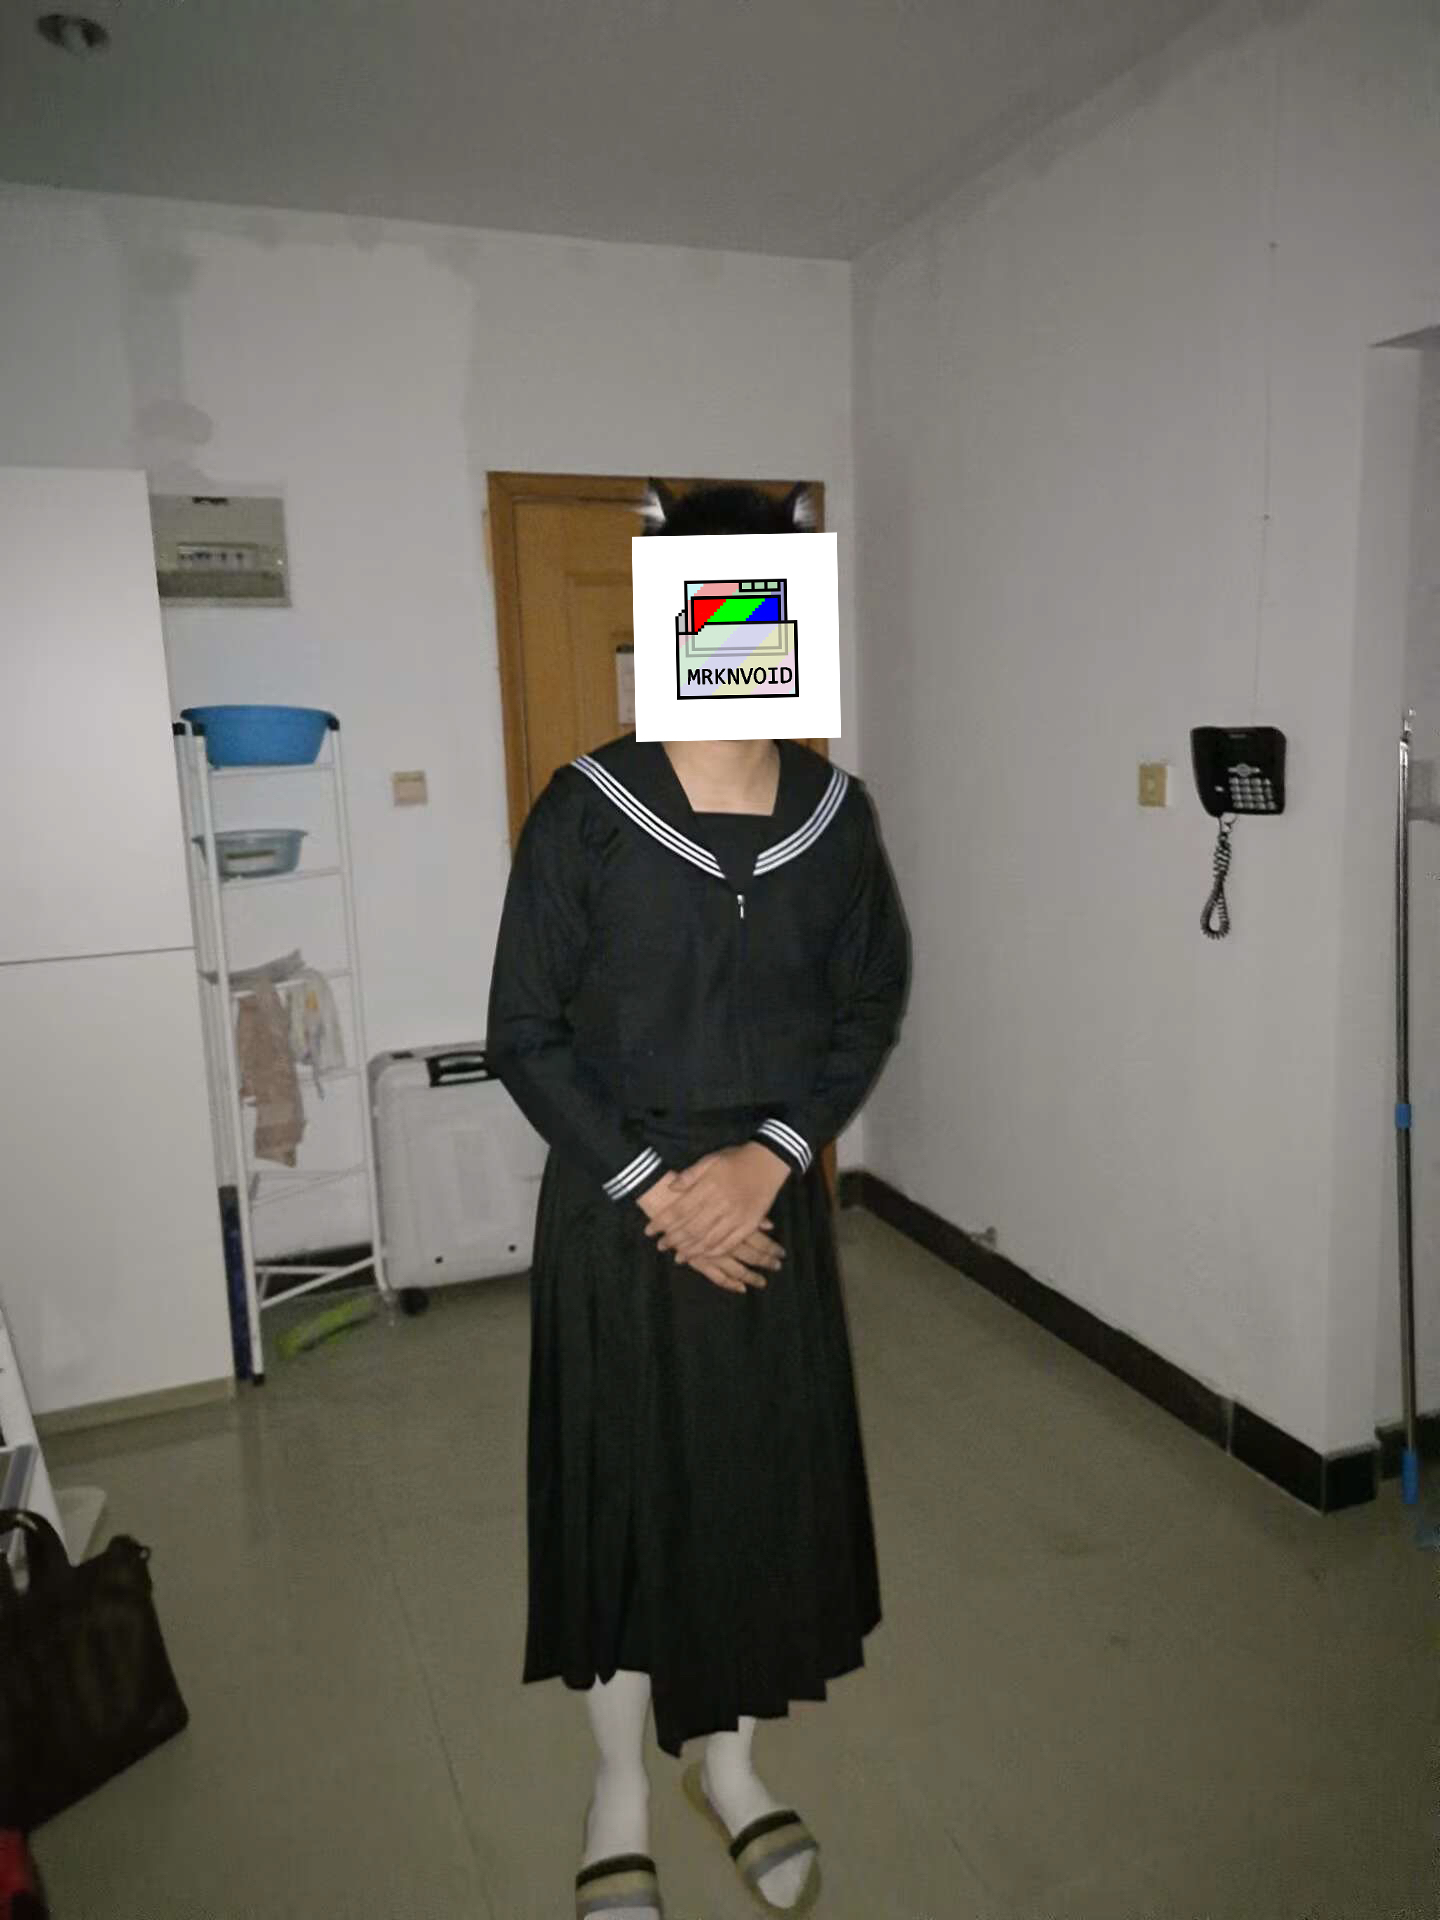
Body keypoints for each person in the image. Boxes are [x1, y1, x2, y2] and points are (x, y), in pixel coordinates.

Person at [485, 479, 911, 1918]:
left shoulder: (837, 821)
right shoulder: (588, 811)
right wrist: (659, 1193)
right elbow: (523, 1031)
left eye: (764, 605)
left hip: (768, 1210)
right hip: (620, 1214)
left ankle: (726, 1767)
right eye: (715, 603)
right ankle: (618, 1784)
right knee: (621, 1503)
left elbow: (867, 1006)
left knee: (748, 1497)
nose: (739, 634)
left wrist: (772, 1157)